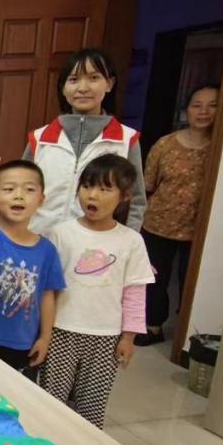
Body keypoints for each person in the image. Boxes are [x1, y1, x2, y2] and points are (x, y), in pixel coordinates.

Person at [39, 154, 154, 429]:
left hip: (105, 337)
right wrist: (42, 331)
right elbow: (46, 289)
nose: (92, 195)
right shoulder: (60, 233)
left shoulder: (131, 241)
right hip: (61, 330)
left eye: (104, 189)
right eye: (87, 186)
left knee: (92, 406)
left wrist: (128, 338)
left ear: (124, 196)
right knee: (51, 402)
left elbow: (135, 293)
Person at [0, 158, 65, 380]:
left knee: (14, 396)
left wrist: (45, 338)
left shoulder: (47, 250)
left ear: (41, 199)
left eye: (29, 189)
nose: (19, 195)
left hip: (23, 344)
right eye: (9, 189)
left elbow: (47, 296)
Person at [25, 49, 147, 235]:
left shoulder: (126, 139)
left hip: (96, 245)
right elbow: (22, 188)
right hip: (39, 240)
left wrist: (127, 240)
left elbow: (136, 201)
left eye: (93, 78)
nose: (83, 88)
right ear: (63, 88)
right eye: (74, 79)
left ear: (109, 84)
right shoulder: (40, 138)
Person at [136, 84, 218, 346]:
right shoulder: (165, 145)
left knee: (191, 280)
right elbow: (147, 185)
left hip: (200, 228)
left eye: (212, 105)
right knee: (155, 278)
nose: (204, 111)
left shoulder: (221, 148)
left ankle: (188, 333)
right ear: (187, 110)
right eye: (197, 105)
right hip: (159, 223)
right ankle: (153, 325)